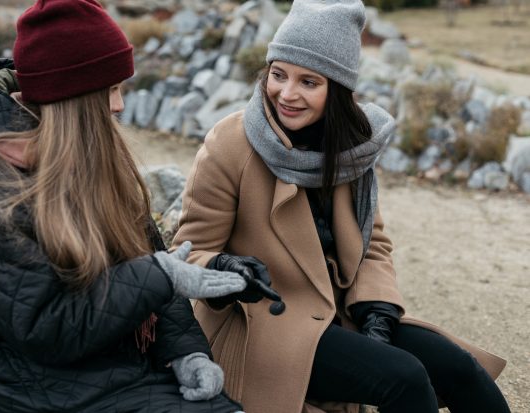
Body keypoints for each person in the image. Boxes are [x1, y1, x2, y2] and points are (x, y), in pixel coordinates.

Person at [172, 1, 512, 412]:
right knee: (404, 380)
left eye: (309, 82)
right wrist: (226, 271)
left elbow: (373, 245)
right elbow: (187, 254)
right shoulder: (230, 144)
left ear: (337, 88)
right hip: (262, 325)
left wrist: (378, 308)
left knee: (462, 369)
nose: (287, 93)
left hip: (337, 313)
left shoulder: (352, 149)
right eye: (278, 75)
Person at [0, 1, 248, 412]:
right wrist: (158, 276)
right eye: (110, 90)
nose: (120, 106)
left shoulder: (89, 159)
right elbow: (46, 329)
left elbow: (150, 261)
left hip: (119, 366)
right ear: (73, 96)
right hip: (46, 391)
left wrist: (185, 352)